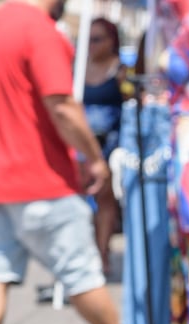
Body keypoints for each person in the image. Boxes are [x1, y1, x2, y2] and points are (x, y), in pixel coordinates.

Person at [0, 0, 120, 324]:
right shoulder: (40, 31)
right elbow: (61, 105)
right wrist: (94, 157)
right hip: (41, 177)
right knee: (82, 273)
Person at [81, 16, 123, 275]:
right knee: (79, 202)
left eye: (97, 39)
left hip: (108, 144)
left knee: (104, 199)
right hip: (81, 144)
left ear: (111, 41)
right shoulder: (78, 69)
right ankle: (86, 252)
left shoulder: (118, 70)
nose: (91, 45)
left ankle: (102, 252)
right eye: (88, 39)